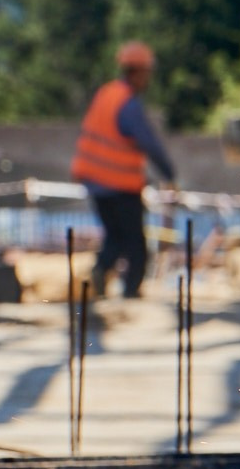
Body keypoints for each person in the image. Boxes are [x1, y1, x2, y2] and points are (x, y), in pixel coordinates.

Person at [72, 40, 177, 298]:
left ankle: (100, 271)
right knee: (135, 243)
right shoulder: (128, 104)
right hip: (118, 184)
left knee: (115, 237)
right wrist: (169, 173)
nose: (148, 79)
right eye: (147, 73)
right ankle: (131, 292)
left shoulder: (106, 93)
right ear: (138, 72)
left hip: (95, 181)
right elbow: (148, 142)